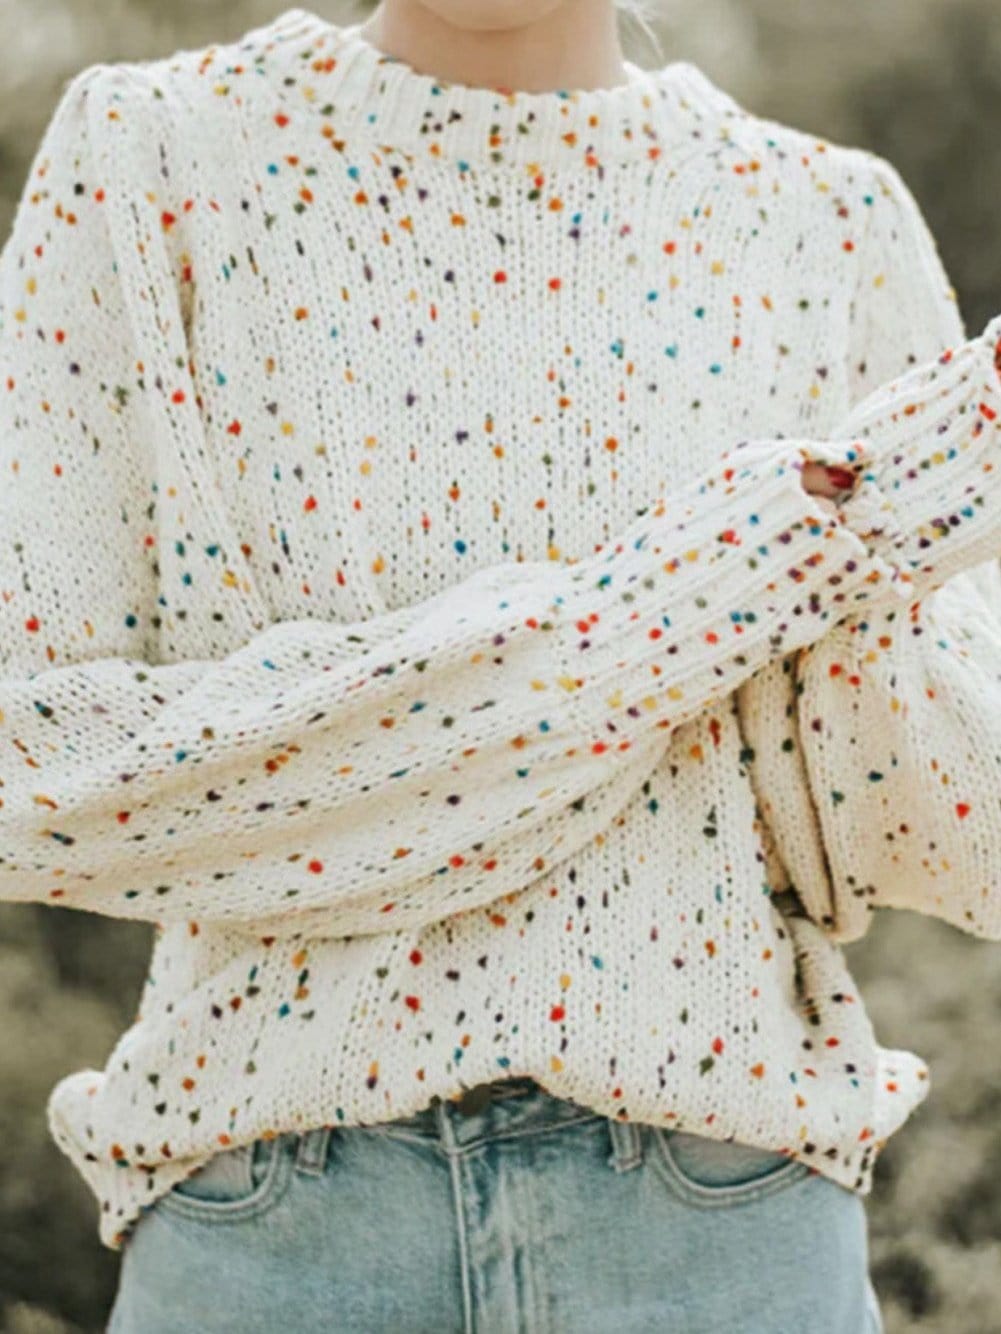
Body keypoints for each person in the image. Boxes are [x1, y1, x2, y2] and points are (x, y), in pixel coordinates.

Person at [2, 2, 999, 1330]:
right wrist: (701, 598)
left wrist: (851, 539)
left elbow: (961, 823)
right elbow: (39, 763)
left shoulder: (823, 221)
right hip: (275, 1228)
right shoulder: (156, 155)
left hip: (723, 1225)